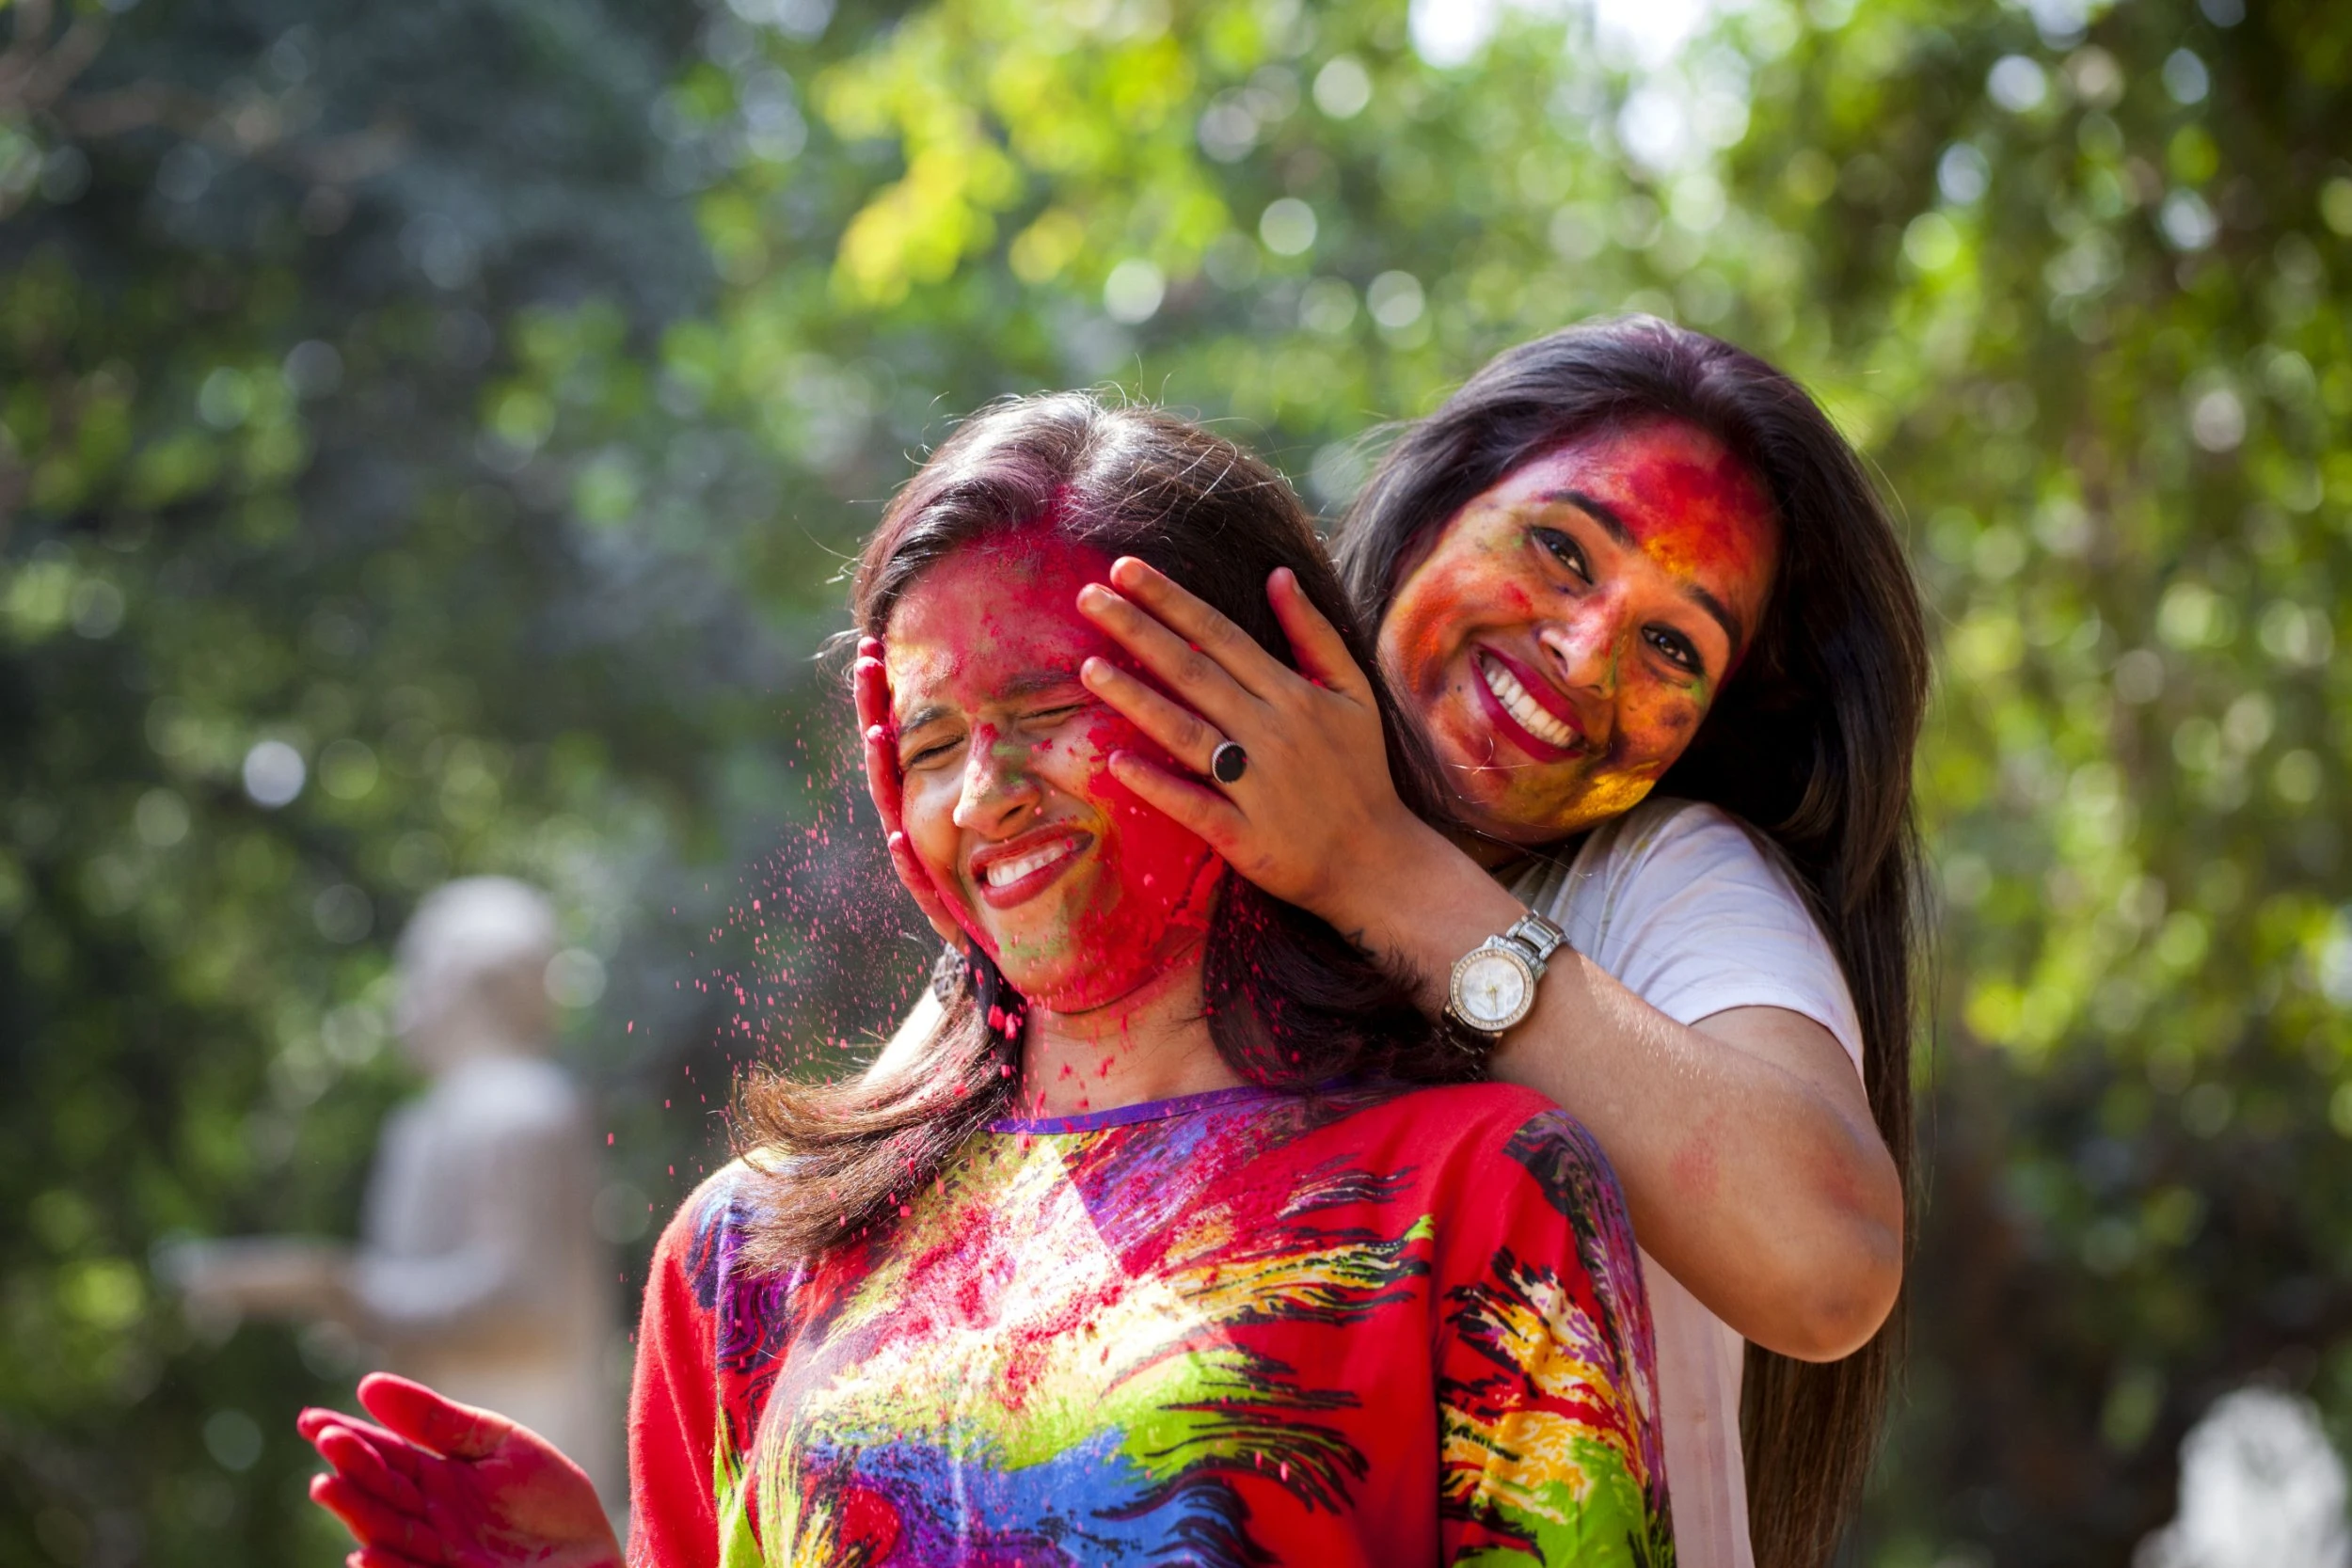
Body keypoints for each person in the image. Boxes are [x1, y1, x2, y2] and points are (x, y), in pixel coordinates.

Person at [298, 393, 1676, 1566]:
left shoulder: (1476, 1191)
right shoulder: (753, 1260)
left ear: (1247, 697)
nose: (986, 794)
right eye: (937, 738)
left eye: (1045, 711)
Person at [876, 316, 1926, 1568]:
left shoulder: (1670, 880)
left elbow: (1825, 1263)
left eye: (1670, 645)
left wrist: (1374, 865)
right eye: (1559, 549)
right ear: (1436, 501)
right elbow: (872, 1222)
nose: (1585, 653)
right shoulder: (1181, 794)